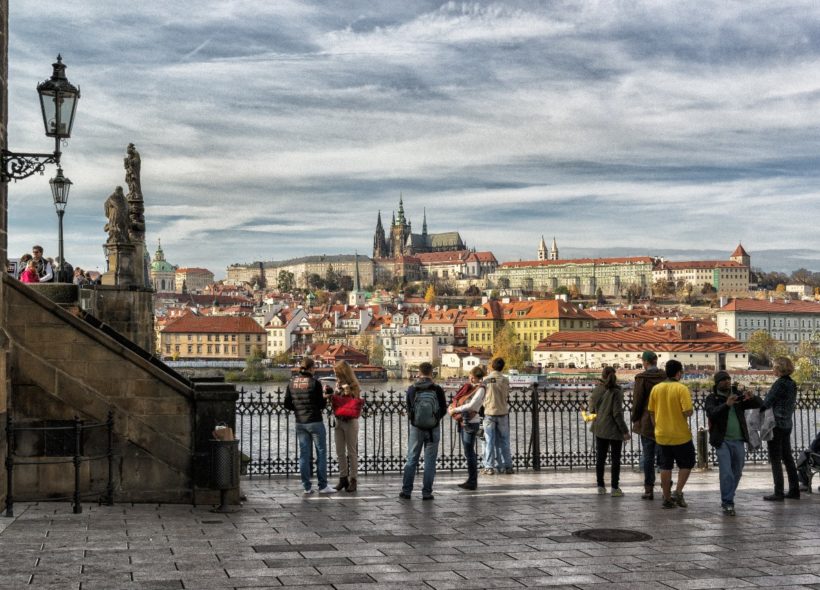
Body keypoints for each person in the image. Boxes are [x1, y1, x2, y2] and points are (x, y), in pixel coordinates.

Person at [705, 371, 762, 516]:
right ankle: (728, 502)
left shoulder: (738, 395)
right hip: (722, 440)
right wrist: (726, 404)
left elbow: (760, 404)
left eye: (728, 379)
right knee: (726, 473)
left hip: (738, 440)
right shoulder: (713, 398)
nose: (727, 382)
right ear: (717, 383)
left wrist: (752, 397)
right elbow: (712, 413)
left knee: (737, 471)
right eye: (723, 380)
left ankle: (729, 495)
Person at [283, 357, 336, 495]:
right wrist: (325, 397)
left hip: (300, 422)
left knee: (304, 455)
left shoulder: (292, 383)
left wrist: (299, 408)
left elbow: (287, 404)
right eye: (314, 368)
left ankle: (307, 487)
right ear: (311, 368)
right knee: (321, 453)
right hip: (315, 421)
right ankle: (323, 486)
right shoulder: (315, 383)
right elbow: (320, 405)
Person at [648, 359, 695, 509]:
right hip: (681, 435)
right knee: (687, 463)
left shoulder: (656, 389)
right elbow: (687, 411)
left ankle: (667, 498)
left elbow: (651, 412)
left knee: (665, 466)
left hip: (661, 434)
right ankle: (678, 491)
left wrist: (657, 427)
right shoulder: (681, 389)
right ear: (678, 372)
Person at [400, 361, 447, 500]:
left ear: (419, 373)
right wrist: (435, 419)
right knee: (430, 461)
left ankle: (407, 491)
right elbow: (443, 409)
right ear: (431, 373)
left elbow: (409, 408)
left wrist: (415, 420)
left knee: (412, 459)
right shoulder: (437, 389)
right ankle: (427, 492)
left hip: (417, 428)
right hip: (433, 429)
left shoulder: (412, 388)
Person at [761, 356, 799, 501]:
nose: (773, 369)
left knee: (775, 458)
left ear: (779, 368)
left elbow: (767, 402)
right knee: (788, 457)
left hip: (776, 424)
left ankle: (778, 492)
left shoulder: (779, 384)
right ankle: (794, 490)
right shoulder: (792, 383)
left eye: (774, 367)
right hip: (787, 424)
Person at [588, 366, 630, 496]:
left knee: (601, 458)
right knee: (615, 459)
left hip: (600, 428)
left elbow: (591, 411)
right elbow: (617, 413)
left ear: (603, 375)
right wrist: (625, 430)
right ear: (614, 375)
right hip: (614, 429)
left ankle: (600, 487)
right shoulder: (617, 391)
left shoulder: (597, 390)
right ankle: (615, 488)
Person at [631, 351, 666, 499]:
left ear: (645, 362)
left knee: (648, 457)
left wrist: (635, 418)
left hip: (647, 422)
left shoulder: (642, 378)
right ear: (656, 361)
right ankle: (666, 488)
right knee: (664, 456)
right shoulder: (664, 377)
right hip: (664, 420)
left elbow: (638, 401)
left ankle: (649, 489)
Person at [449, 366, 487, 490]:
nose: (469, 378)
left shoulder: (480, 389)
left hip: (471, 422)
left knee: (469, 452)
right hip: (466, 421)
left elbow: (471, 406)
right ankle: (471, 479)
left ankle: (472, 481)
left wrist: (455, 409)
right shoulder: (473, 387)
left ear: (476, 377)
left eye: (471, 376)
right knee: (468, 451)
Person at [329, 360, 362, 493]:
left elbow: (354, 400)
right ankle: (343, 478)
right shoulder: (337, 383)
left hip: (350, 421)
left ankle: (353, 479)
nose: (335, 375)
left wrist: (347, 390)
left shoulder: (354, 385)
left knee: (352, 451)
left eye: (337, 372)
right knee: (340, 451)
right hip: (338, 420)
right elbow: (336, 400)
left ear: (343, 372)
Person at [482, 358, 513, 475]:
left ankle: (489, 467)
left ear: (492, 366)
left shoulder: (486, 379)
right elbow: (507, 394)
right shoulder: (505, 380)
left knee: (489, 440)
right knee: (505, 441)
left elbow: (482, 394)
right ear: (502, 367)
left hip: (489, 413)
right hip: (503, 412)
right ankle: (508, 466)